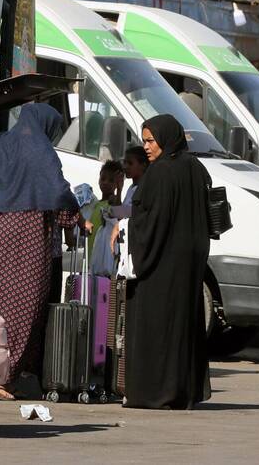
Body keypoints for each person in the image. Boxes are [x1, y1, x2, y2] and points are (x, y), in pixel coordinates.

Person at [0, 103, 81, 400]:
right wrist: (74, 218)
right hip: (28, 240)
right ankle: (3, 378)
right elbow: (58, 192)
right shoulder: (40, 150)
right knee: (24, 308)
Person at [124, 114, 212, 409]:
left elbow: (153, 220)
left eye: (151, 140)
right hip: (190, 262)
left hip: (162, 264)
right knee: (184, 326)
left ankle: (156, 392)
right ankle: (183, 391)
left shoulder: (160, 173)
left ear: (165, 138)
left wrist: (133, 233)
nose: (146, 147)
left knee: (158, 327)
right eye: (144, 141)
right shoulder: (195, 168)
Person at [85, 160, 123, 261]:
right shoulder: (96, 203)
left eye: (111, 180)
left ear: (117, 184)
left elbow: (119, 213)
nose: (105, 183)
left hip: (105, 256)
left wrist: (119, 191)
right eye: (103, 179)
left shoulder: (113, 201)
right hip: (92, 251)